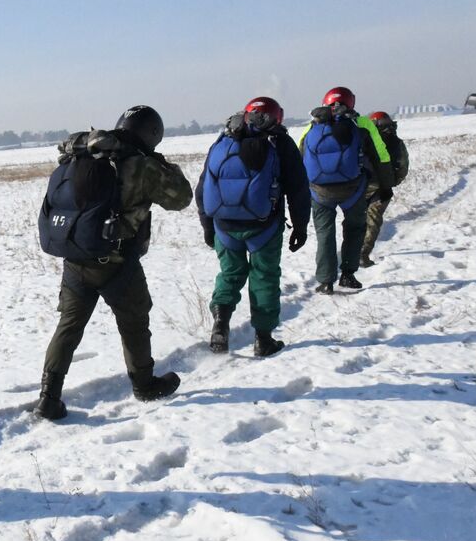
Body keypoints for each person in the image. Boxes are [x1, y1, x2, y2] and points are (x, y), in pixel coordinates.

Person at [34, 105, 193, 420]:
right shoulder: (140, 165)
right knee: (134, 321)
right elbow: (181, 198)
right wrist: (161, 164)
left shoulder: (86, 156)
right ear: (151, 134)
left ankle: (48, 396)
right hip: (117, 262)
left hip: (76, 260)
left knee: (68, 326)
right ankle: (145, 384)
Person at [195, 97, 311, 357]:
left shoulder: (224, 140)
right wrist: (300, 225)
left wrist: (207, 226)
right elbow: (298, 188)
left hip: (224, 226)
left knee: (230, 274)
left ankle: (220, 326)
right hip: (264, 227)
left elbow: (203, 188)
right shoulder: (280, 143)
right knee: (264, 277)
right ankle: (263, 339)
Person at [294, 86, 394, 294]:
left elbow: (299, 156)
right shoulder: (362, 123)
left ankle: (325, 280)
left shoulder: (313, 126)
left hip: (319, 191)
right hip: (353, 189)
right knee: (355, 229)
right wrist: (386, 186)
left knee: (324, 233)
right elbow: (381, 156)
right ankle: (348, 274)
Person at [359, 111, 409, 267]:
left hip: (360, 188)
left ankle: (353, 252)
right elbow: (402, 167)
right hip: (382, 189)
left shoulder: (363, 140)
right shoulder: (397, 143)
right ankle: (363, 254)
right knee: (373, 220)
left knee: (358, 220)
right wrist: (393, 182)